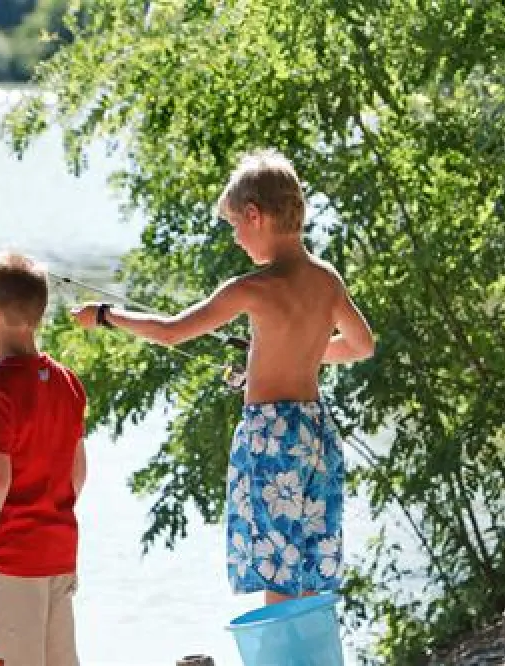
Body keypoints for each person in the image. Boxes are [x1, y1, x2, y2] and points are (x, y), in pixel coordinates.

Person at [71, 149, 375, 605]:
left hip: (271, 436)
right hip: (315, 433)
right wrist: (299, 353)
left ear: (254, 216)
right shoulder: (326, 280)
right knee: (309, 564)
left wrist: (106, 315)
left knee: (277, 566)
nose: (236, 238)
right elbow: (361, 345)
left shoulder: (252, 289)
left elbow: (172, 331)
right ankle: (313, 644)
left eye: (235, 225)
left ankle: (277, 645)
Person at [0, 252, 88, 665]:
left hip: (10, 561)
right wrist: (48, 516)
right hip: (58, 551)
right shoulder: (67, 384)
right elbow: (78, 471)